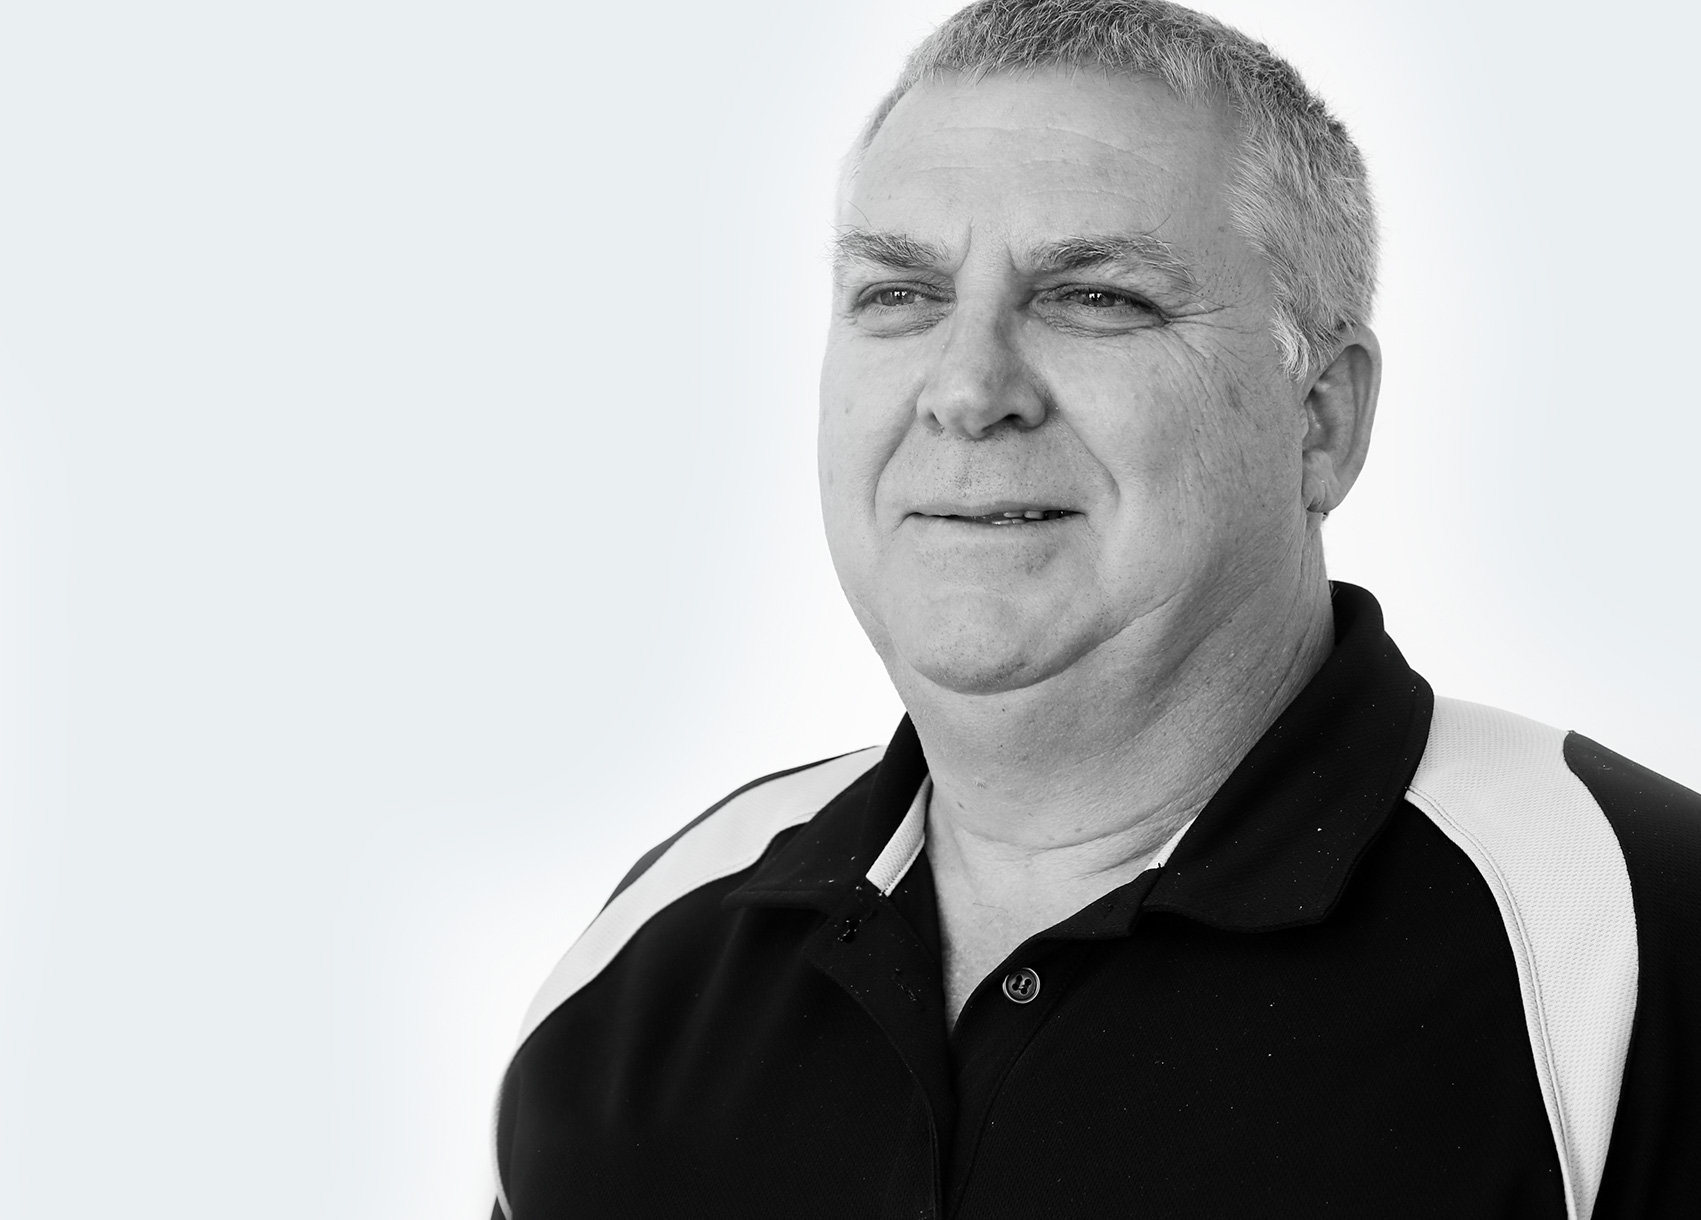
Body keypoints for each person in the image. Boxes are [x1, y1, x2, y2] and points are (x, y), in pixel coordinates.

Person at [489, 1, 1700, 1215]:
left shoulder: (1632, 943)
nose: (967, 389)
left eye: (1097, 297)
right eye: (900, 292)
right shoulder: (651, 955)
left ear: (1321, 418)